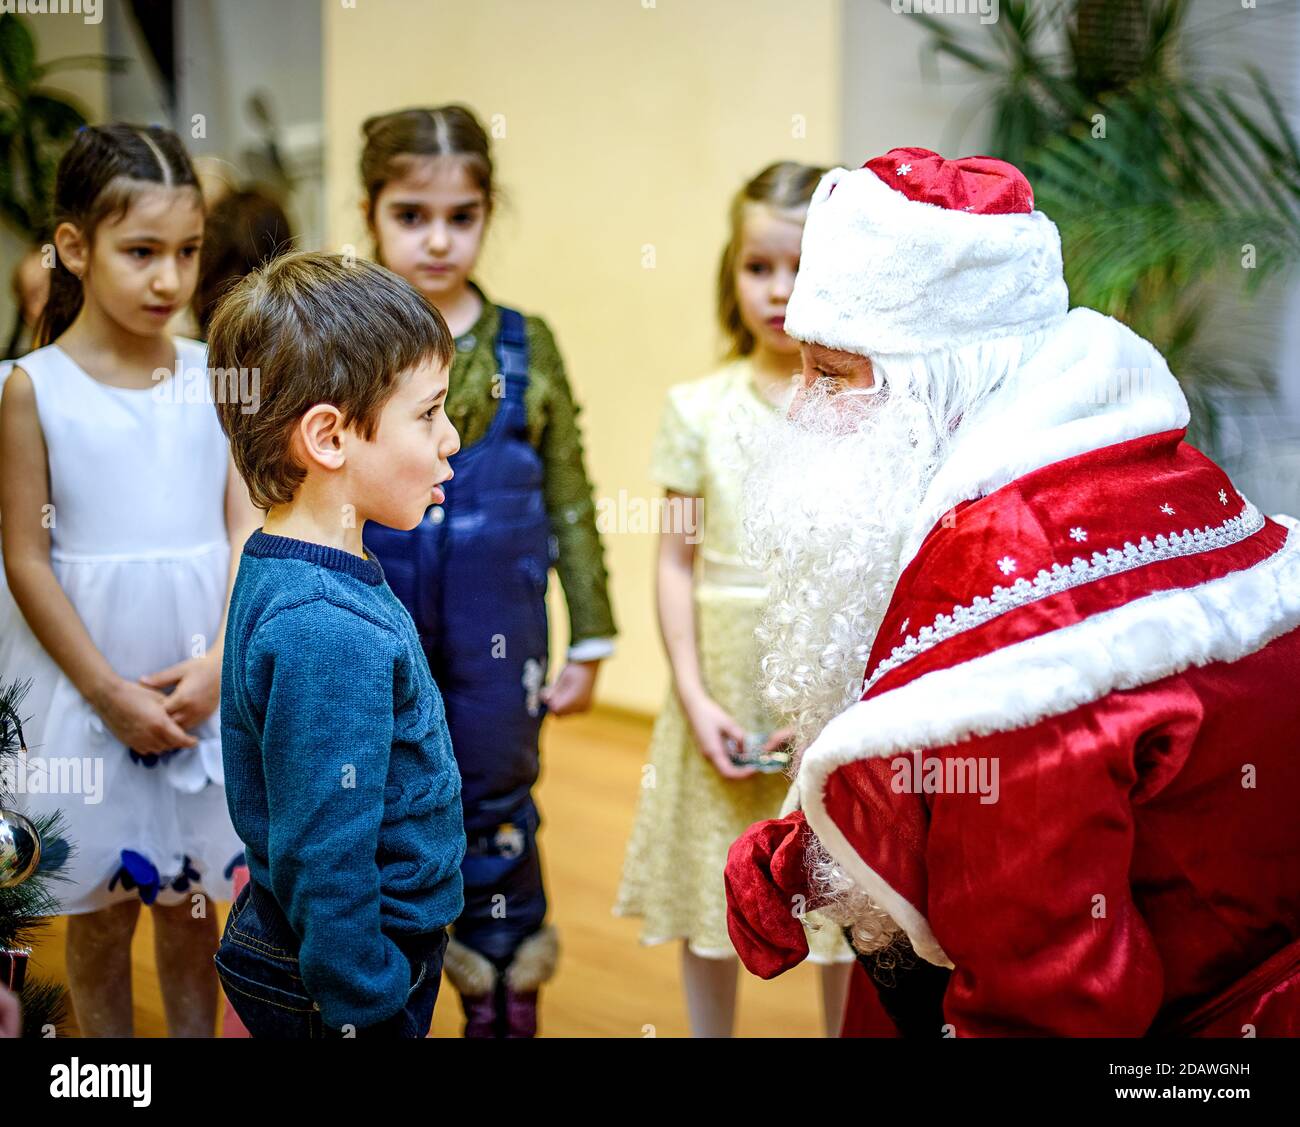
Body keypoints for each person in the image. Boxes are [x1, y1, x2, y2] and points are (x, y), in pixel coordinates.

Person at [725, 148, 1300, 1036]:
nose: (802, 406)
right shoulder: (1123, 465)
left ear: (936, 383)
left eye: (831, 375)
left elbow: (1049, 992)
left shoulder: (1016, 619)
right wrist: (806, 851)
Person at [354, 105, 617, 1037]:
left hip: (500, 631)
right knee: (384, 794)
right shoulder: (349, 341)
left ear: (487, 213)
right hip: (373, 619)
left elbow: (574, 496)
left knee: (497, 789)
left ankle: (505, 988)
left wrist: (591, 632)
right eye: (411, 215)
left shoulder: (525, 343)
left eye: (460, 216)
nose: (437, 239)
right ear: (370, 212)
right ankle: (395, 986)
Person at [0, 123, 257, 1037]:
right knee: (99, 918)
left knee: (195, 915)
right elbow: (25, 557)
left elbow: (244, 527)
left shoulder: (214, 375)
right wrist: (108, 693)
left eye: (186, 252)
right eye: (140, 251)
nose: (169, 279)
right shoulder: (30, 387)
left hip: (200, 689)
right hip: (85, 694)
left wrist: (222, 661)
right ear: (73, 246)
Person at [614, 162, 853, 1037]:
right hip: (718, 686)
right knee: (712, 892)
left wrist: (837, 708)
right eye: (759, 268)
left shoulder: (863, 409)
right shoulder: (697, 408)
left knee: (838, 897)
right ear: (732, 272)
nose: (779, 291)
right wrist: (694, 695)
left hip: (824, 697)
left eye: (801, 269)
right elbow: (674, 558)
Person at [207, 252, 466, 1038]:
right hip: (347, 975)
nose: (451, 437)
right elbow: (327, 855)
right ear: (328, 437)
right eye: (428, 414)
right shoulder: (325, 624)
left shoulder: (293, 562)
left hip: (331, 950)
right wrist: (367, 1003)